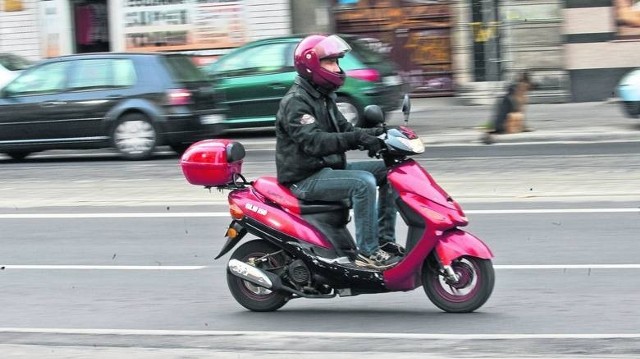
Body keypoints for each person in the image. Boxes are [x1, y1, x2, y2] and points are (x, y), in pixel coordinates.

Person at [274, 34, 403, 268]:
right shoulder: (296, 101)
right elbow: (314, 142)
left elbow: (346, 129)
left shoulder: (324, 97)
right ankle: (368, 252)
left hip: (328, 169)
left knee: (391, 171)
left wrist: (380, 134)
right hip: (305, 178)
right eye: (330, 62)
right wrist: (357, 138)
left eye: (337, 62)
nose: (337, 68)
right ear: (312, 64)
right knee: (363, 182)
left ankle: (385, 242)